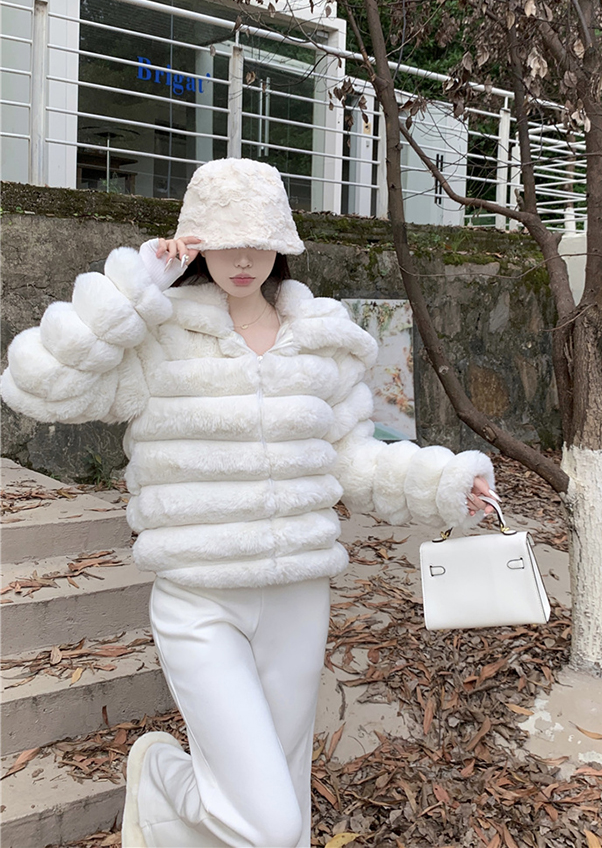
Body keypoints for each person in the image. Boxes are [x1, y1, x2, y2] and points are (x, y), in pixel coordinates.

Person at [1, 158, 497, 848]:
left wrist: (442, 484)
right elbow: (37, 385)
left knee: (283, 804)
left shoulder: (321, 339)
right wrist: (135, 285)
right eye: (225, 240)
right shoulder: (158, 335)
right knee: (267, 821)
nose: (241, 258)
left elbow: (350, 459)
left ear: (281, 242)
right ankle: (160, 777)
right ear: (195, 243)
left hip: (298, 595)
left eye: (257, 241)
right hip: (199, 598)